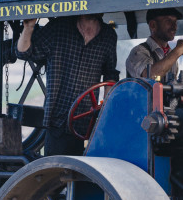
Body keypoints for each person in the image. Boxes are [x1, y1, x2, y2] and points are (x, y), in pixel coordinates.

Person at [16, 14, 119, 156]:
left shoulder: (108, 35)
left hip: (87, 122)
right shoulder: (58, 27)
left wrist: (106, 114)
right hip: (57, 120)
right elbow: (24, 53)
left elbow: (110, 75)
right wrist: (28, 27)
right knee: (55, 172)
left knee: (85, 173)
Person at [125, 8, 183, 80]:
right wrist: (178, 51)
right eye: (168, 21)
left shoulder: (171, 54)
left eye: (175, 22)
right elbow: (151, 77)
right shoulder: (137, 52)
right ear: (153, 25)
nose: (174, 27)